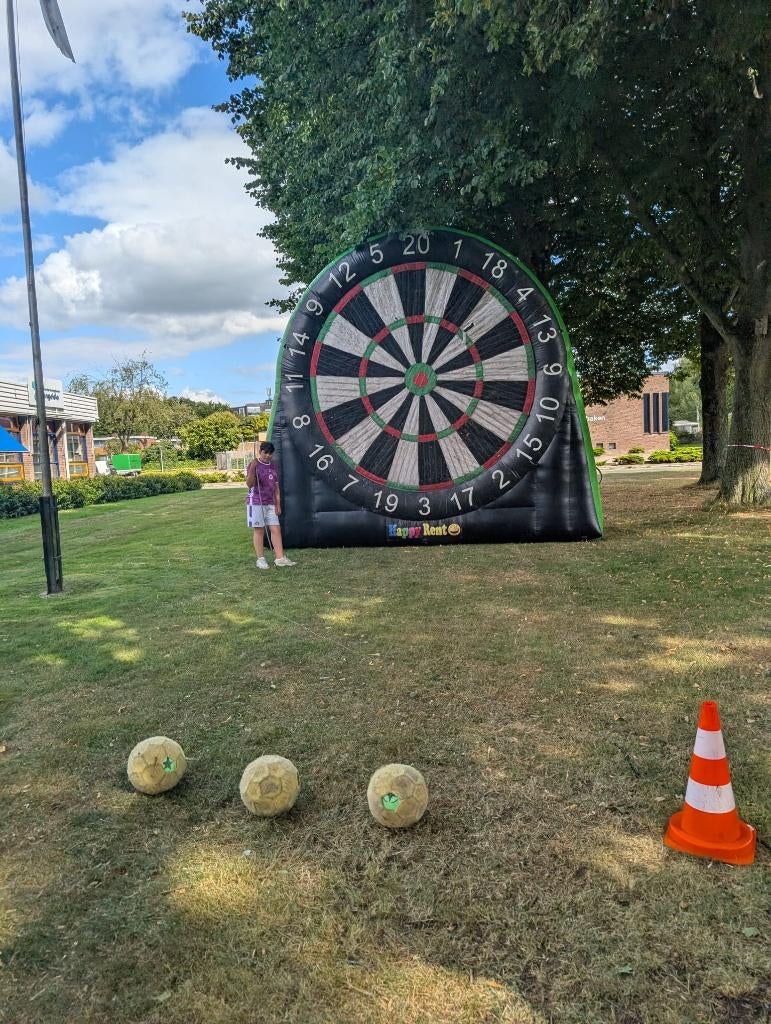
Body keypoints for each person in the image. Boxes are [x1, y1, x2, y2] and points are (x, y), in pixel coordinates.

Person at [245, 442, 296, 568]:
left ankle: (280, 558)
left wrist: (278, 503)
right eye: (265, 452)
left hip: (270, 502)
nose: (267, 455)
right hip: (257, 501)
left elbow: (276, 487)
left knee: (276, 529)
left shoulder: (272, 466)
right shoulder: (254, 464)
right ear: (260, 451)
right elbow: (249, 484)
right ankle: (260, 559)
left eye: (270, 453)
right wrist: (252, 468)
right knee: (259, 530)